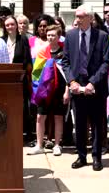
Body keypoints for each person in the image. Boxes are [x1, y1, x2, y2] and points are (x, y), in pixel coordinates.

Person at [62, 4, 109, 172]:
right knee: (80, 124)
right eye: (77, 16)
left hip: (95, 88)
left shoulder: (102, 37)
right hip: (77, 88)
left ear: (90, 18)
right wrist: (71, 82)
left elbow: (106, 62)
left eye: (81, 16)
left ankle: (97, 157)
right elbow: (65, 62)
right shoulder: (70, 36)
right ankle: (81, 156)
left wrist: (93, 82)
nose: (78, 19)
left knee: (97, 123)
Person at [28, 25, 68, 156]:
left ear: (58, 36)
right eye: (49, 35)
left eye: (53, 35)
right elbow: (36, 74)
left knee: (58, 117)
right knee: (40, 117)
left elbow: (69, 73)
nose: (50, 37)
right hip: (44, 90)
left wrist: (67, 91)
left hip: (59, 89)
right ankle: (39, 145)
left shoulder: (65, 52)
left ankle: (57, 144)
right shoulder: (42, 52)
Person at [1, 16, 33, 141]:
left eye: (12, 24)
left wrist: (23, 74)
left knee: (23, 106)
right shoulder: (1, 40)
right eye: (7, 25)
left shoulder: (23, 39)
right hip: (5, 80)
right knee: (6, 106)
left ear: (16, 25)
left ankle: (27, 134)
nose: (10, 27)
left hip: (20, 78)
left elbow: (27, 59)